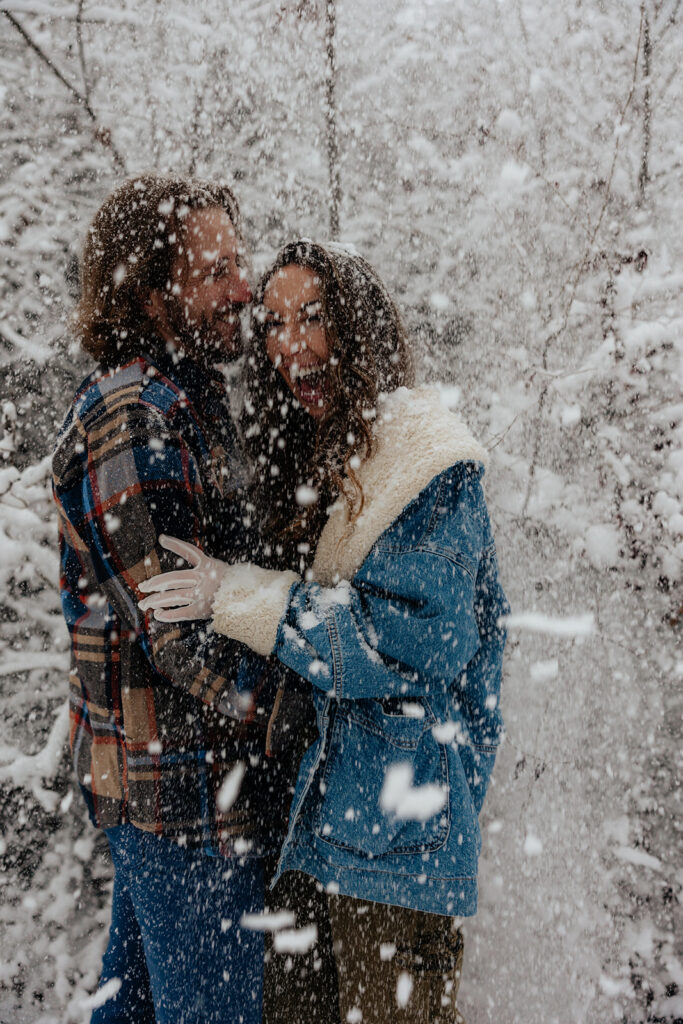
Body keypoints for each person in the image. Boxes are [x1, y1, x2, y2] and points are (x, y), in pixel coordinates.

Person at [139, 239, 509, 1024]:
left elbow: (408, 644)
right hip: (312, 843)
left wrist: (235, 595)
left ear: (359, 324)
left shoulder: (425, 461)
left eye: (312, 317)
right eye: (272, 323)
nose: (289, 344)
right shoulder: (326, 453)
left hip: (397, 861)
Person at [53, 184, 337, 1024]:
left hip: (182, 790)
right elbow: (178, 634)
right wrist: (300, 708)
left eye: (238, 264)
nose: (243, 290)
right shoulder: (132, 414)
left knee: (133, 1009)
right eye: (216, 272)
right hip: (184, 801)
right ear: (150, 293)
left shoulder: (186, 396)